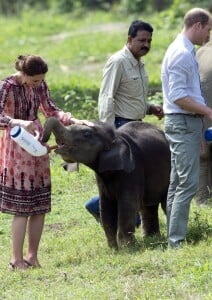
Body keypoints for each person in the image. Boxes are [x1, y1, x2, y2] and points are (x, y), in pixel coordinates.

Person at [0, 54, 91, 270]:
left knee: (39, 205)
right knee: (22, 207)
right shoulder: (7, 86)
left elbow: (50, 108)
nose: (38, 84)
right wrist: (18, 121)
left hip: (37, 145)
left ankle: (32, 256)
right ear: (23, 74)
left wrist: (73, 119)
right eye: (34, 81)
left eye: (41, 80)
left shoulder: (40, 84)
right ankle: (16, 259)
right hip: (17, 146)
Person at [85, 20, 163, 225]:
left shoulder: (139, 63)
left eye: (149, 41)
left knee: (135, 178)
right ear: (129, 39)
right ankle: (97, 206)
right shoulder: (118, 62)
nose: (145, 44)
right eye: (141, 40)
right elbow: (106, 97)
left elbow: (130, 97)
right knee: (125, 181)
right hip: (120, 128)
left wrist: (150, 107)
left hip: (136, 126)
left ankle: (127, 216)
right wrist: (109, 134)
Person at [161, 8, 212, 248]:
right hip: (182, 122)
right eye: (208, 29)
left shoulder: (184, 50)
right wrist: (209, 112)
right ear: (197, 25)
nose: (208, 35)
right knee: (187, 183)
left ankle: (172, 236)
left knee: (177, 182)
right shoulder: (182, 54)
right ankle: (176, 241)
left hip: (187, 123)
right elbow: (178, 96)